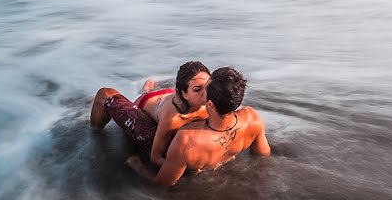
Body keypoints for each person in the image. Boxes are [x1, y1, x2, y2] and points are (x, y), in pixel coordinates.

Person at [126, 66, 271, 186]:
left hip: (161, 102)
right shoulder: (253, 119)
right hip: (158, 103)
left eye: (206, 90)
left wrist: (140, 169)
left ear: (210, 104)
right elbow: (263, 156)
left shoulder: (187, 140)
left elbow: (162, 184)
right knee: (154, 97)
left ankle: (148, 91)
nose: (203, 94)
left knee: (155, 97)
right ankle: (147, 91)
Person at [90, 61, 211, 166]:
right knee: (104, 93)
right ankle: (94, 132)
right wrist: (179, 168)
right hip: (145, 106)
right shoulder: (173, 118)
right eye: (198, 89)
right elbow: (156, 157)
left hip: (165, 98)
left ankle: (147, 92)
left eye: (208, 86)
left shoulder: (212, 100)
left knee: (159, 99)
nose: (206, 93)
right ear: (183, 93)